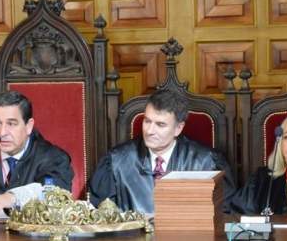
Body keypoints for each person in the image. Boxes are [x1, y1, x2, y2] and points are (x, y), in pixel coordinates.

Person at [88, 90, 235, 214]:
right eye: (147, 121)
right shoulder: (116, 162)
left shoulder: (206, 163)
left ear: (178, 128)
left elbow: (223, 215)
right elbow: (100, 217)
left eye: (160, 124)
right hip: (132, 239)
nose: (150, 131)